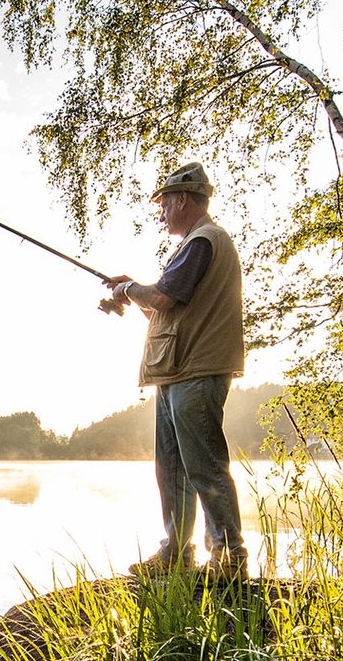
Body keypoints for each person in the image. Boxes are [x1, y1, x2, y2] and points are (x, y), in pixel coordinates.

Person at [102, 162, 247, 578]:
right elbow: (169, 309)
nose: (161, 212)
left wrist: (128, 289)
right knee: (171, 468)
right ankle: (176, 555)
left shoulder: (204, 240)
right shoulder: (196, 245)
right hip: (177, 372)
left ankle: (229, 557)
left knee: (203, 465)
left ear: (182, 200)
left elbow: (164, 297)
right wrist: (131, 294)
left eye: (164, 204)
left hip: (197, 371)